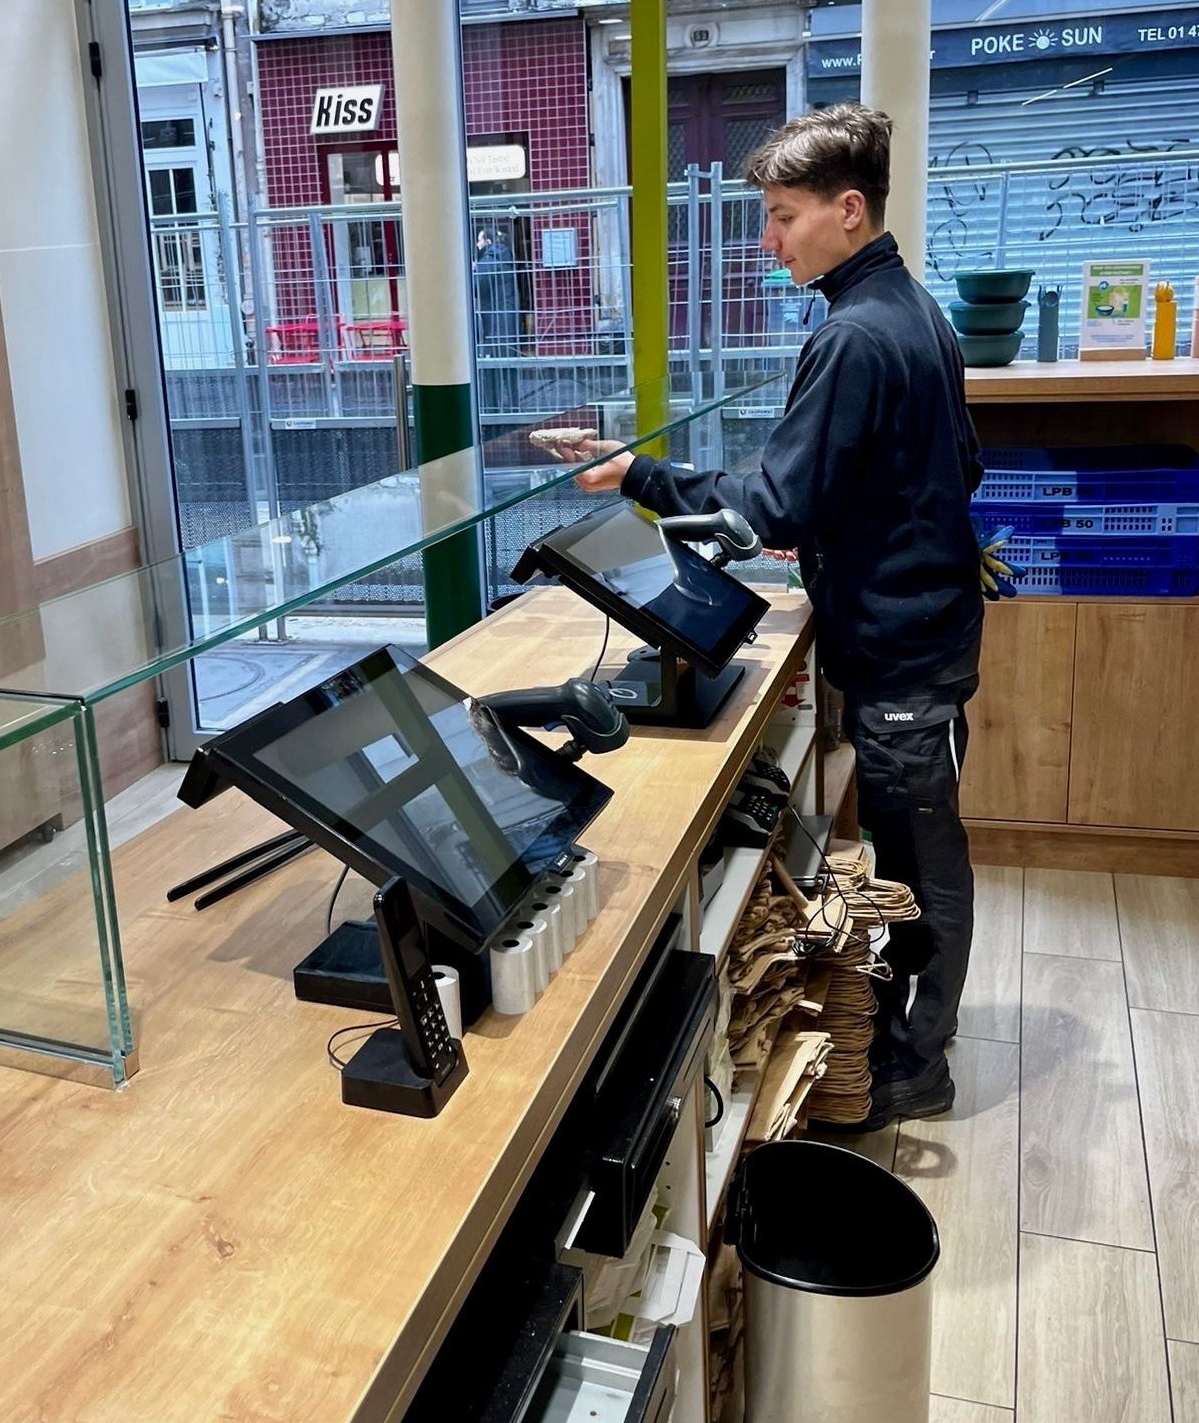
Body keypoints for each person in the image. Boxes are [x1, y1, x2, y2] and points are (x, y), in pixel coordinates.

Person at [554, 103, 989, 1131]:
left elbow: (774, 506)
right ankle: (908, 1030)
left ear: (848, 209)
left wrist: (640, 474)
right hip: (923, 631)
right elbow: (955, 464)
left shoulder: (852, 334)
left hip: (901, 653)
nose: (767, 239)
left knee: (926, 858)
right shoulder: (915, 310)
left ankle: (919, 1064)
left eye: (783, 215)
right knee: (915, 843)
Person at [472, 226, 521, 411]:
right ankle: (514, 408)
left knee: (491, 370)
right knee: (509, 369)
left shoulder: (490, 260)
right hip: (507, 321)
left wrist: (473, 271)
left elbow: (475, 287)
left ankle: (493, 410)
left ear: (488, 242)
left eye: (480, 240)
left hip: (494, 324)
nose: (477, 244)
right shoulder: (505, 256)